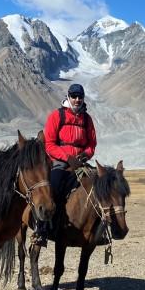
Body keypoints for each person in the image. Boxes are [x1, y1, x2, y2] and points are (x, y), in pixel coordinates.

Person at [36, 83, 97, 246]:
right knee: (53, 187)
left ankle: (101, 229)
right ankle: (41, 229)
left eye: (80, 97)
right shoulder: (57, 116)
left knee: (101, 186)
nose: (77, 100)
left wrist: (85, 154)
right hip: (61, 161)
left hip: (81, 161)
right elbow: (49, 144)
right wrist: (67, 158)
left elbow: (92, 144)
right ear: (68, 97)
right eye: (74, 96)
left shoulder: (87, 119)